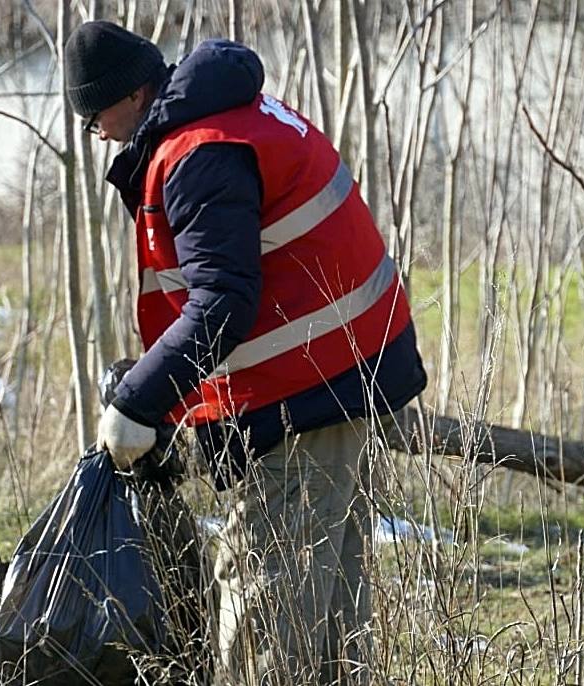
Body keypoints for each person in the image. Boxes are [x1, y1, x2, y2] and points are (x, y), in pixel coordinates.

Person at [64, 20, 427, 685]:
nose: (98, 134)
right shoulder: (235, 115)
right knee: (328, 599)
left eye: (95, 116)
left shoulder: (198, 154)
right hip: (346, 369)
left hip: (310, 388)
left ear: (134, 94)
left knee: (265, 596)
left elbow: (223, 301)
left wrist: (137, 400)